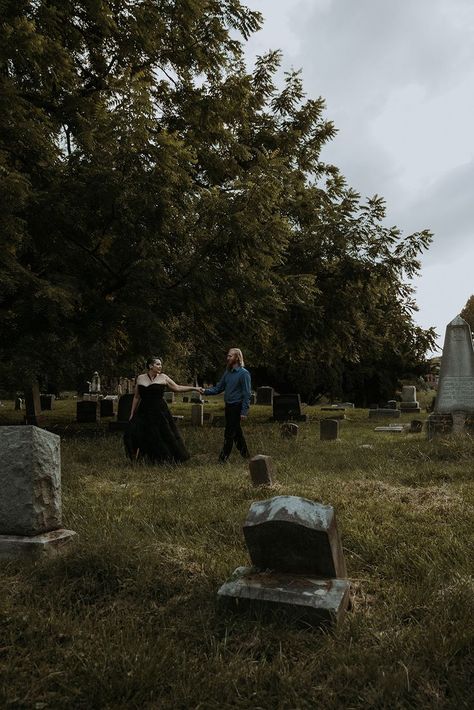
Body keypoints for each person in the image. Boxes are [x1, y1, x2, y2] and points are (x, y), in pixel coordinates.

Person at [124, 356, 201, 464]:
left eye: (160, 364)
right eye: (158, 364)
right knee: (134, 432)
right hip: (144, 410)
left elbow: (177, 388)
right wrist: (132, 412)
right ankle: (138, 458)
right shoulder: (140, 378)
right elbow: (137, 397)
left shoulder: (163, 377)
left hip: (159, 410)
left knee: (162, 434)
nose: (160, 366)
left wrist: (194, 388)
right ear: (151, 366)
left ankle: (165, 459)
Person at [202, 348, 251, 463]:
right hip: (228, 406)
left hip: (237, 406)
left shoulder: (244, 374)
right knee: (236, 433)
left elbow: (247, 394)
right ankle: (247, 456)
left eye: (230, 356)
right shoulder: (228, 373)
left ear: (237, 358)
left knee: (229, 433)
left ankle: (222, 460)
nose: (227, 358)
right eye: (228, 356)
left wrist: (244, 411)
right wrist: (205, 391)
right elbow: (219, 388)